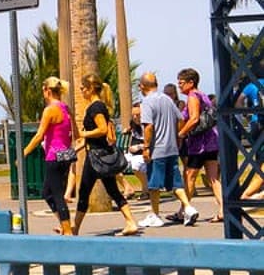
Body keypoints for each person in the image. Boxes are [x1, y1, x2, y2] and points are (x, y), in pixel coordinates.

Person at [72, 73, 140, 236]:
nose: (81, 91)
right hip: (98, 154)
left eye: (82, 88)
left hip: (97, 156)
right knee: (112, 190)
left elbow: (102, 129)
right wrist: (78, 146)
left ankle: (75, 229)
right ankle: (130, 222)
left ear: (89, 89)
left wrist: (83, 134)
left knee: (84, 193)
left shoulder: (96, 107)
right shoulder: (97, 106)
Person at [138, 72, 198, 228]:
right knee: (175, 182)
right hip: (171, 148)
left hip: (156, 149)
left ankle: (155, 215)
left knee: (154, 184)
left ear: (142, 86)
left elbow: (148, 126)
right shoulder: (167, 100)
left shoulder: (147, 102)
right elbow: (180, 119)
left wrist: (145, 147)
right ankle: (188, 207)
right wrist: (178, 137)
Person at [22, 76, 74, 234]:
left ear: (48, 91)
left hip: (54, 155)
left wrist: (23, 152)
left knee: (57, 195)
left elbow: (39, 135)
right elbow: (74, 131)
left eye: (43, 90)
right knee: (47, 193)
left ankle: (68, 231)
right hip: (66, 154)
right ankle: (64, 224)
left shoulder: (50, 110)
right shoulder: (66, 108)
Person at [176, 67, 223, 222]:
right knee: (213, 178)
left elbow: (194, 118)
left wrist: (182, 133)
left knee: (190, 175)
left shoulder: (193, 96)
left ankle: (185, 210)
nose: (179, 85)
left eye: (181, 82)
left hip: (199, 143)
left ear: (191, 82)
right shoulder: (203, 95)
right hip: (211, 141)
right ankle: (223, 209)